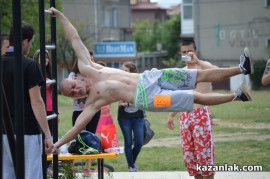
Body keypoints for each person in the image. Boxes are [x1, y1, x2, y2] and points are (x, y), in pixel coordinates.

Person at [48, 7, 253, 152]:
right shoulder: (92, 103)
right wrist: (56, 145)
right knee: (194, 97)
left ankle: (241, 68)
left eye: (73, 87)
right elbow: (75, 129)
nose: (76, 92)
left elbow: (74, 39)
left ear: (76, 78)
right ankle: (236, 96)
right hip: (150, 99)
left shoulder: (88, 67)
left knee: (196, 75)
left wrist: (62, 17)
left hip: (151, 77)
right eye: (72, 94)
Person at [2, 21, 53, 179]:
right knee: (31, 174)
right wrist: (47, 134)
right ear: (24, 42)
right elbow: (36, 101)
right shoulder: (29, 64)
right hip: (27, 131)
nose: (30, 47)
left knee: (6, 174)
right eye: (31, 43)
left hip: (3, 129)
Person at [167, 40, 216, 179]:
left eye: (190, 51)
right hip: (185, 115)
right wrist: (171, 115)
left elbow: (215, 69)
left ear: (196, 51)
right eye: (184, 52)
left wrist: (197, 61)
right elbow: (180, 97)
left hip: (201, 114)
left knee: (204, 155)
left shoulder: (204, 68)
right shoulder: (181, 72)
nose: (187, 54)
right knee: (190, 157)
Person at [68, 56, 101, 177]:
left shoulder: (95, 74)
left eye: (91, 59)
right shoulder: (73, 75)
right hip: (78, 110)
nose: (89, 61)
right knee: (76, 137)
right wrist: (87, 94)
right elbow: (71, 94)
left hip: (94, 110)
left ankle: (87, 168)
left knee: (91, 139)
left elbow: (99, 91)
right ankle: (71, 167)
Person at [118, 61, 145, 172]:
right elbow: (120, 102)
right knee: (128, 142)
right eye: (122, 70)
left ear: (131, 72)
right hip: (124, 117)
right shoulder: (119, 83)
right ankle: (131, 166)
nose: (122, 72)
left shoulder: (140, 82)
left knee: (139, 142)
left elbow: (143, 99)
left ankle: (132, 162)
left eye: (125, 70)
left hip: (138, 116)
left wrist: (131, 101)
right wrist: (130, 102)